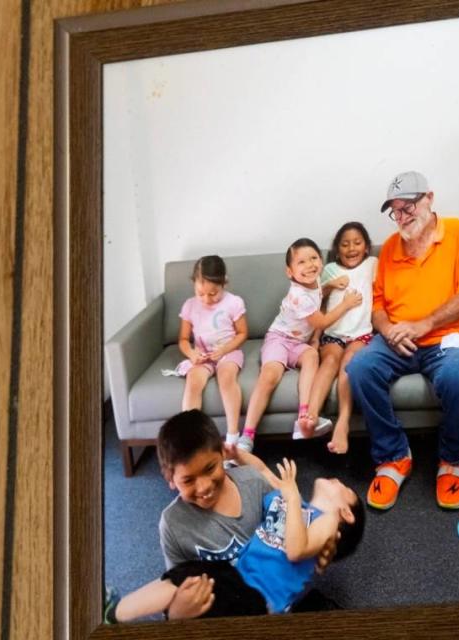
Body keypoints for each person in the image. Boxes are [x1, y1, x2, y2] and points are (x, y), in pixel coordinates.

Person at [346, 171, 459, 511]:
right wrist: (389, 330)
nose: (403, 217)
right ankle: (394, 456)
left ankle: (454, 460)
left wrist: (423, 325)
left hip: (447, 337)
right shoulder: (391, 247)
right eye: (396, 210)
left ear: (429, 199)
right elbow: (378, 306)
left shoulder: (456, 231)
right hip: (398, 340)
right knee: (360, 368)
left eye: (408, 207)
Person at [105, 454, 366, 621]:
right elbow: (262, 471)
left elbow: (296, 551)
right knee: (183, 576)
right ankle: (113, 614)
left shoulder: (328, 521)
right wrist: (235, 452)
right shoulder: (289, 501)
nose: (338, 480)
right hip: (235, 574)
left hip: (257, 599)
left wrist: (293, 496)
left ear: (346, 512)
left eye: (344, 488)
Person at [155, 409, 338, 619]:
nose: (204, 486)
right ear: (170, 480)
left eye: (210, 468)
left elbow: (293, 523)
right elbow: (176, 587)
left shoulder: (253, 482)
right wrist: (178, 610)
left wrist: (323, 541)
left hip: (278, 600)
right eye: (188, 480)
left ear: (223, 453)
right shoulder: (172, 525)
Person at [237, 238, 362, 453]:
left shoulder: (312, 284)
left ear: (321, 262)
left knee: (312, 356)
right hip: (279, 339)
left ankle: (304, 415)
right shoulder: (298, 295)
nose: (310, 265)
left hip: (299, 344)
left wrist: (330, 286)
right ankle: (247, 435)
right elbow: (321, 321)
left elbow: (317, 293)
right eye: (301, 262)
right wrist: (346, 304)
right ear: (290, 272)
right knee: (270, 375)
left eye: (314, 258)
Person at [302, 222, 378, 454]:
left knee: (348, 364)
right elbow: (318, 304)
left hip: (361, 334)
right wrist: (315, 337)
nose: (351, 248)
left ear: (366, 247)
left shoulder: (371, 264)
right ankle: (310, 415)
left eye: (357, 243)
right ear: (337, 249)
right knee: (330, 361)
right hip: (333, 334)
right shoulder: (329, 269)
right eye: (345, 244)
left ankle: (343, 423)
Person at [173, 256, 248, 449]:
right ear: (194, 284)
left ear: (225, 282)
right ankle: (191, 436)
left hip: (228, 352)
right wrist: (191, 354)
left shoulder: (234, 302)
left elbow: (242, 333)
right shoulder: (189, 306)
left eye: (214, 293)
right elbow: (182, 339)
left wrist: (224, 349)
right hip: (202, 354)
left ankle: (232, 435)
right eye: (201, 293)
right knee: (193, 382)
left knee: (226, 378)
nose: (207, 299)